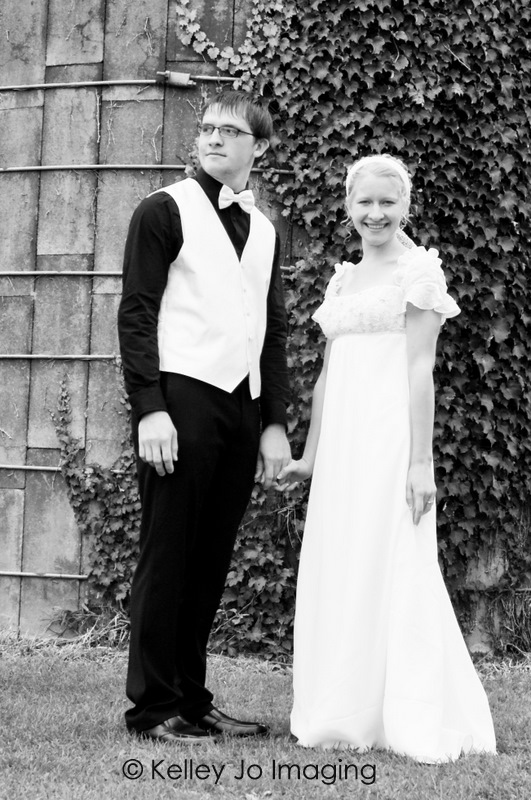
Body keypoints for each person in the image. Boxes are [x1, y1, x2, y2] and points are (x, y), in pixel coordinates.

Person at [277, 154, 496, 762]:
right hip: (343, 449)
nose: (375, 214)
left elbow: (420, 369)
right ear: (348, 206)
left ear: (406, 205)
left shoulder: (419, 272)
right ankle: (342, 708)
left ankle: (406, 711)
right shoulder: (342, 281)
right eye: (364, 202)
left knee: (394, 559)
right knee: (343, 562)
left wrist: (421, 463)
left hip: (391, 442)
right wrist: (310, 457)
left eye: (387, 202)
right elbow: (328, 375)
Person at [117, 90, 291, 743]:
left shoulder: (266, 230)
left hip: (241, 408)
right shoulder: (163, 209)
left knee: (211, 558)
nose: (214, 138)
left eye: (230, 131)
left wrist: (273, 421)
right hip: (181, 398)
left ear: (259, 146)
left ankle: (191, 699)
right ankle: (153, 706)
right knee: (168, 552)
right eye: (208, 128)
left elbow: (271, 331)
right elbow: (136, 313)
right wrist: (149, 408)